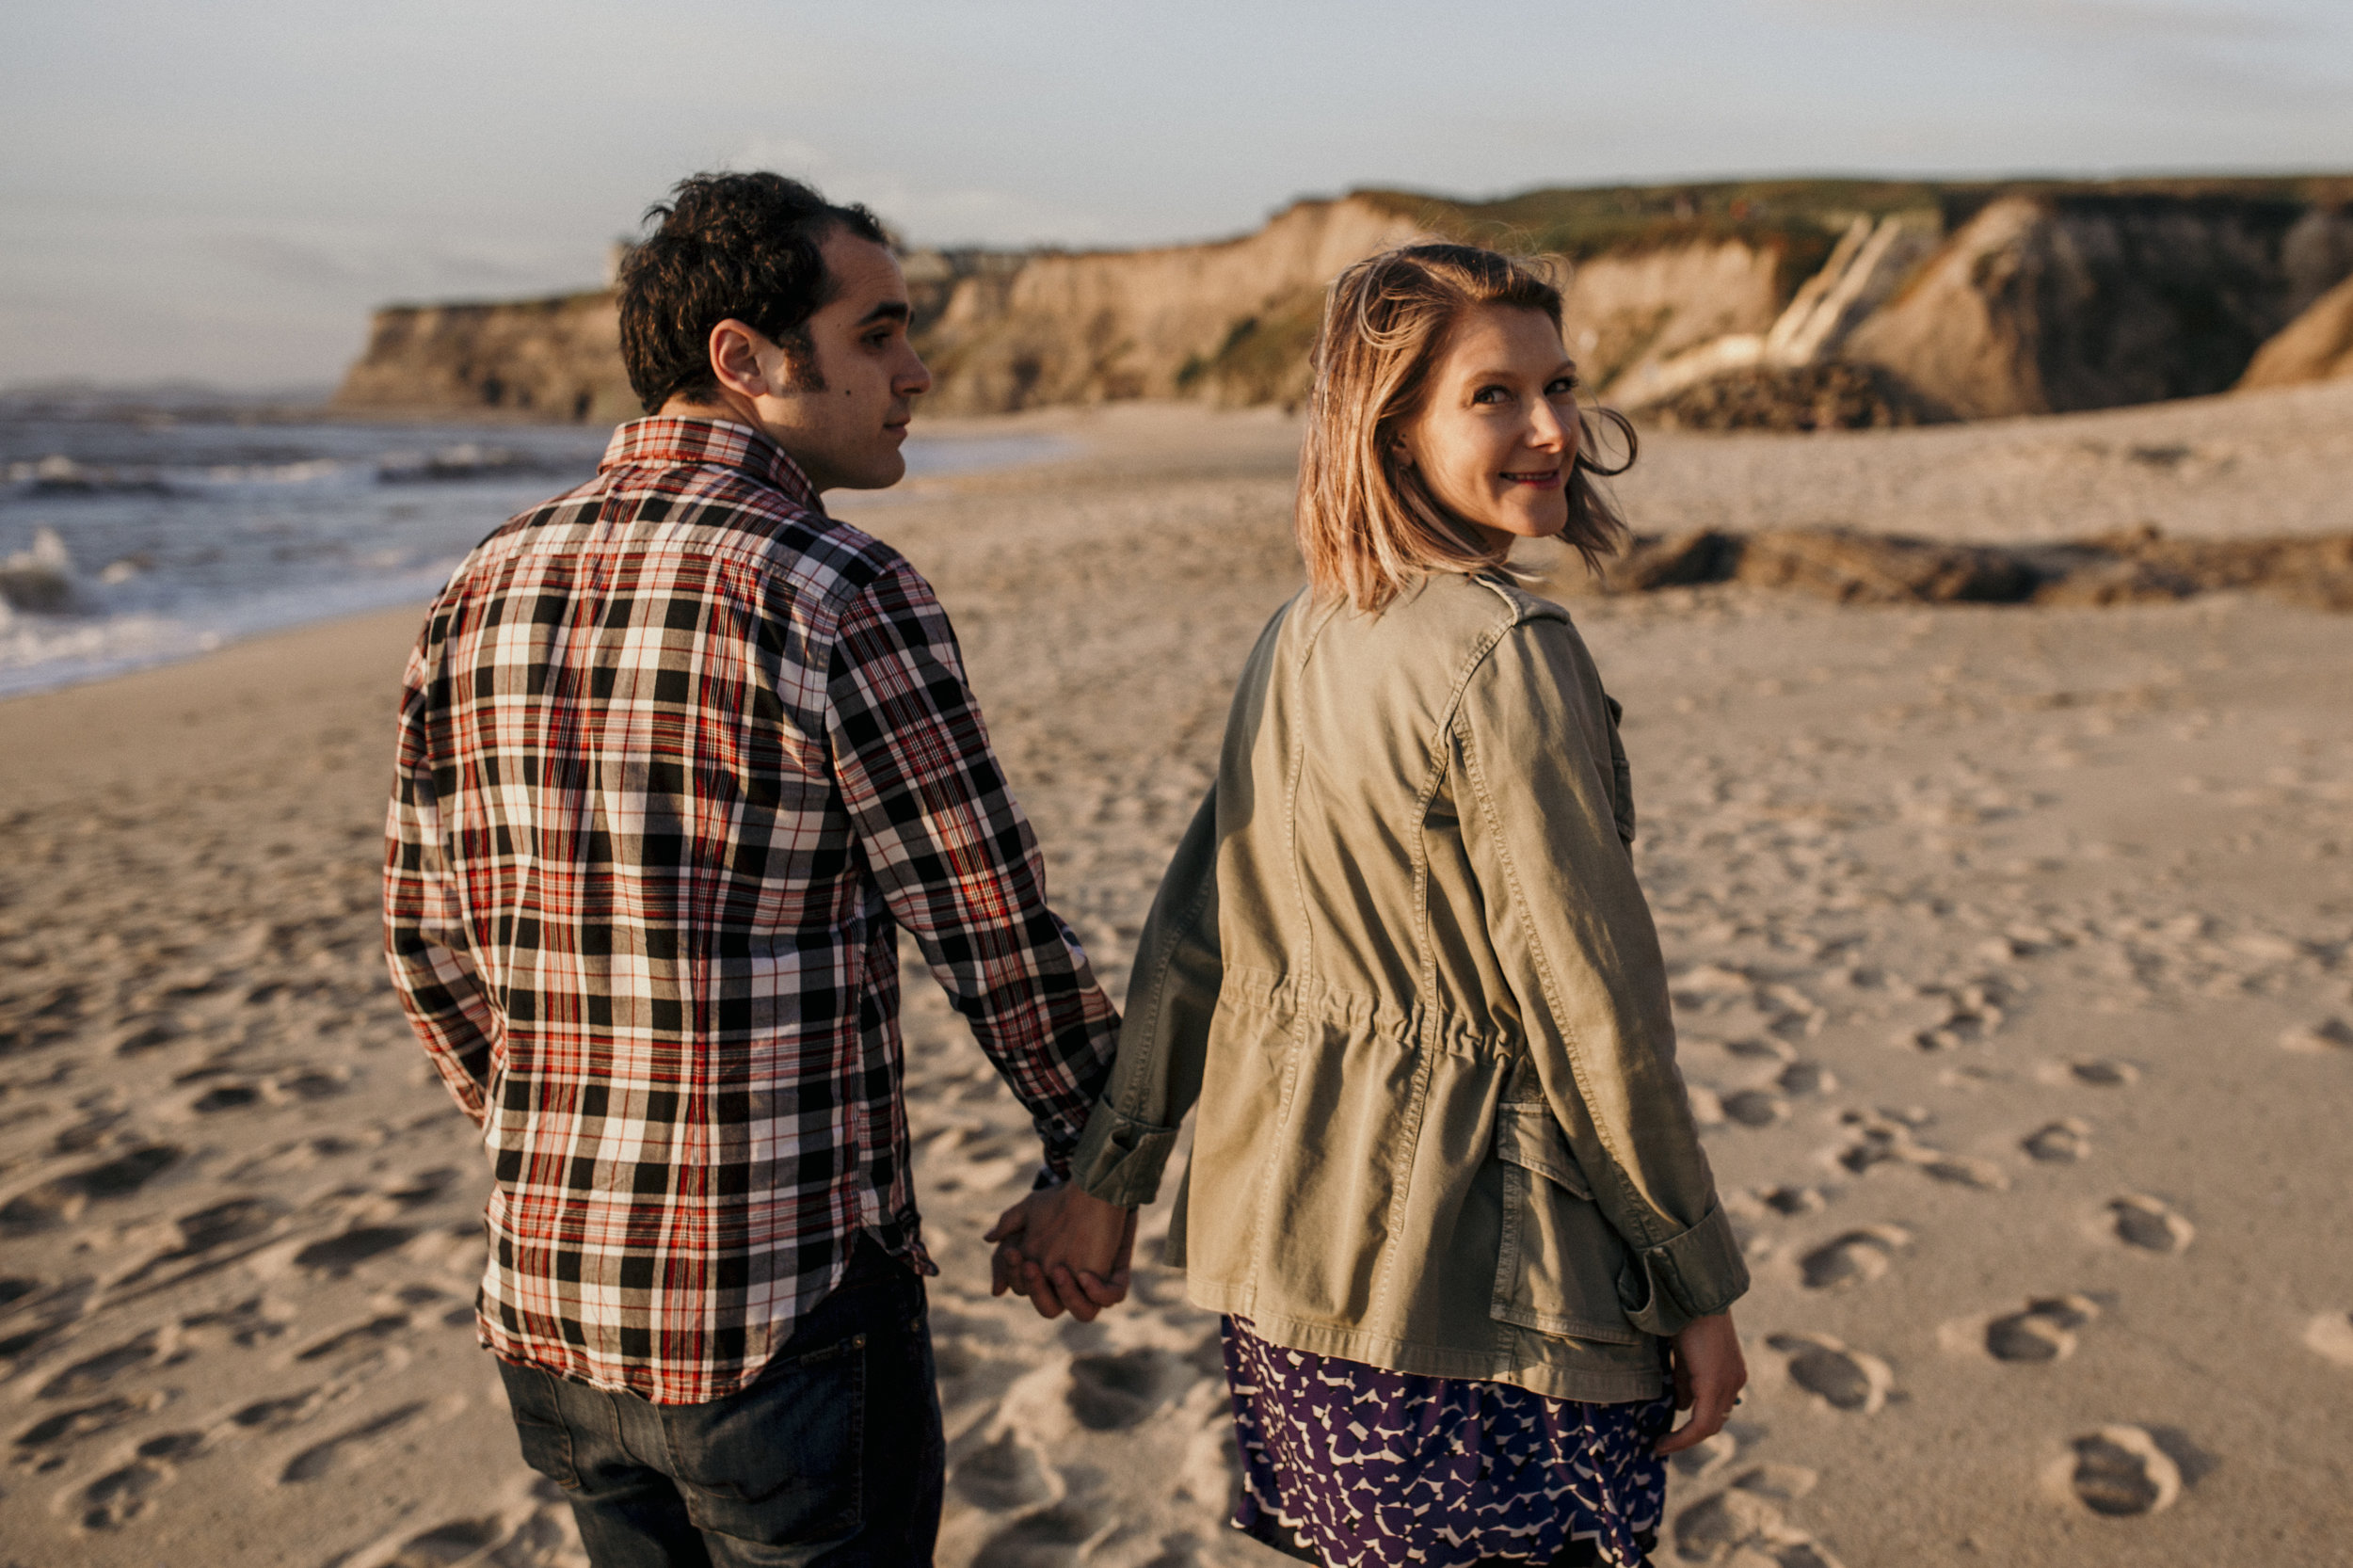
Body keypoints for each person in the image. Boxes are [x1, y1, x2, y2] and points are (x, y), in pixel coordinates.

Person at [384, 170, 1122, 1568]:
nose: (919, 370)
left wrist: (552, 1139)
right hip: (778, 1318)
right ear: (743, 357)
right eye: (879, 333)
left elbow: (426, 950)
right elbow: (992, 931)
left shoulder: (474, 585)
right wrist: (1094, 1162)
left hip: (553, 1304)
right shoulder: (834, 587)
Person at [1012, 244, 1752, 1568]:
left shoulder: (1303, 628)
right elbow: (1597, 1014)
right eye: (1494, 396)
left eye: (1562, 385)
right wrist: (1691, 1278)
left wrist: (1111, 1175)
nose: (1552, 429)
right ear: (1391, 428)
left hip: (1284, 1271)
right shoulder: (1508, 658)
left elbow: (1194, 936)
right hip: (1471, 1288)